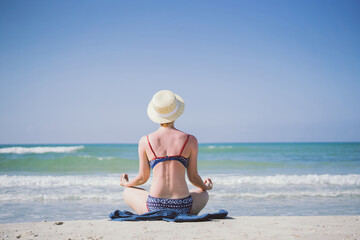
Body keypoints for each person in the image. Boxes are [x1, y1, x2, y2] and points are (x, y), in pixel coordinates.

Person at [120, 90, 213, 215]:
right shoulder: (190, 140)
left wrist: (126, 183)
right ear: (177, 113)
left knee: (128, 191)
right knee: (203, 193)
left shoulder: (145, 141)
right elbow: (193, 177)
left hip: (155, 206)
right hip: (183, 206)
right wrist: (206, 186)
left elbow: (142, 178)